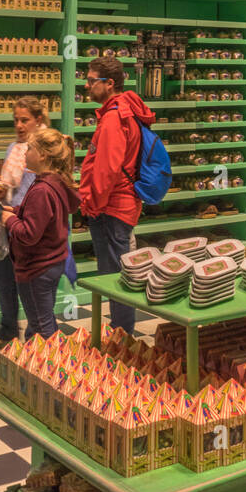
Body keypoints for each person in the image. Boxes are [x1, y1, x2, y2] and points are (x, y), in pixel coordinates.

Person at [78, 56, 155, 334]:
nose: (87, 86)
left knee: (114, 278)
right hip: (119, 204)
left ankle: (121, 336)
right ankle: (121, 332)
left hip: (110, 208)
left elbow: (107, 169)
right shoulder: (125, 112)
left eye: (91, 80)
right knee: (116, 273)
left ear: (109, 84)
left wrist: (91, 204)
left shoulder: (114, 117)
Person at [0, 127, 81, 338]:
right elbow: (43, 217)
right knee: (44, 320)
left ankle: (53, 367)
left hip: (37, 268)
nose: (25, 153)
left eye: (29, 149)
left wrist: (9, 220)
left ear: (43, 155)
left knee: (41, 327)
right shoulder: (54, 183)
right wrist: (16, 211)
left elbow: (29, 234)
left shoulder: (41, 190)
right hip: (53, 262)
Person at [0, 97, 48, 352]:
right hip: (8, 222)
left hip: (28, 226)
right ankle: (8, 331)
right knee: (5, 280)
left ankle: (34, 343)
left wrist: (15, 210)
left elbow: (40, 191)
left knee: (30, 286)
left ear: (38, 120)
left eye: (25, 120)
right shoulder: (13, 147)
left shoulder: (43, 149)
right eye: (16, 120)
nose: (19, 125)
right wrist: (0, 193)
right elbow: (11, 186)